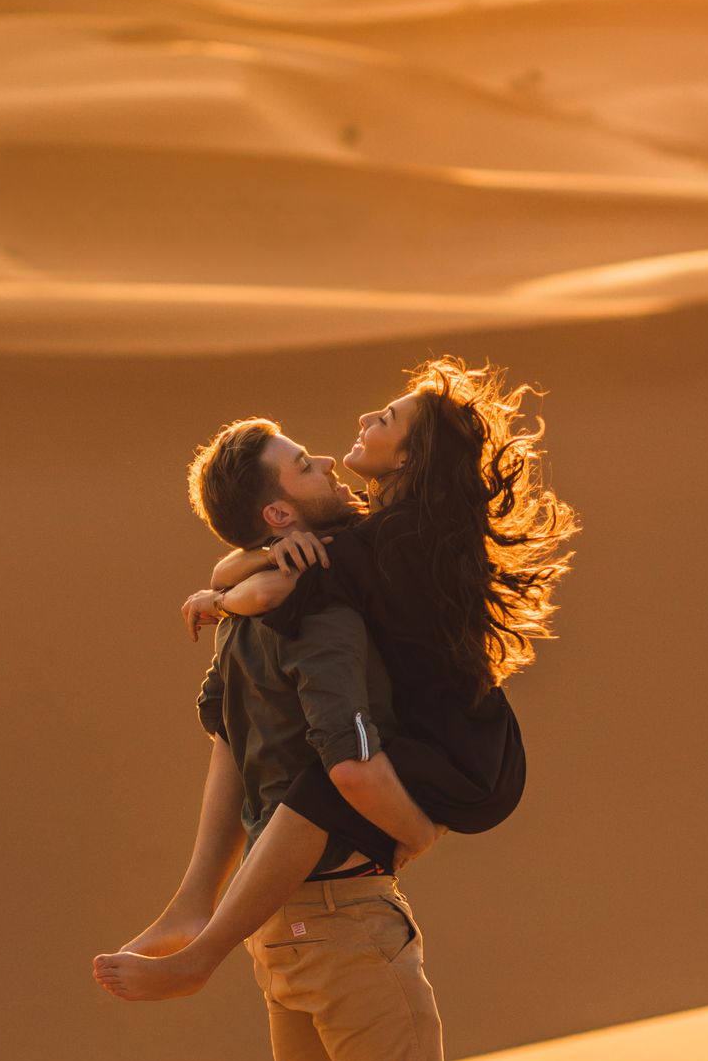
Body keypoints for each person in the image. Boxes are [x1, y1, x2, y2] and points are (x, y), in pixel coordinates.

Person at [90, 361, 575, 1061]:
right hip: (337, 907)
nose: (337, 443)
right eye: (305, 461)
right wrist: (416, 838)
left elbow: (228, 750)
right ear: (280, 507)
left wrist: (234, 583)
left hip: (275, 922)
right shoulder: (336, 613)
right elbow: (344, 769)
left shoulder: (263, 616)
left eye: (371, 427)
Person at [94, 358, 576, 1003]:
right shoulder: (385, 524)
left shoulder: (400, 536)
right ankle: (191, 905)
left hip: (461, 755)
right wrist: (259, 563)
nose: (360, 420)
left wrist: (223, 600)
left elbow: (268, 591)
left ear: (409, 457)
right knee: (252, 725)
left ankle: (201, 954)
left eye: (384, 420)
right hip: (455, 742)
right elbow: (250, 565)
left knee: (332, 772)